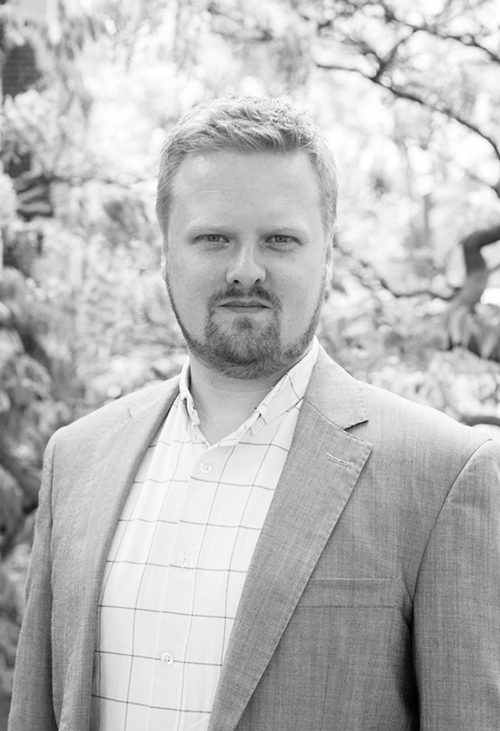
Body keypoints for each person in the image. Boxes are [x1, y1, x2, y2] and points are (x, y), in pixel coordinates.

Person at [8, 96, 500, 731]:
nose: (246, 270)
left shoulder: (444, 476)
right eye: (213, 238)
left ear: (327, 256)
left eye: (280, 240)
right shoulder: (76, 459)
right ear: (165, 252)